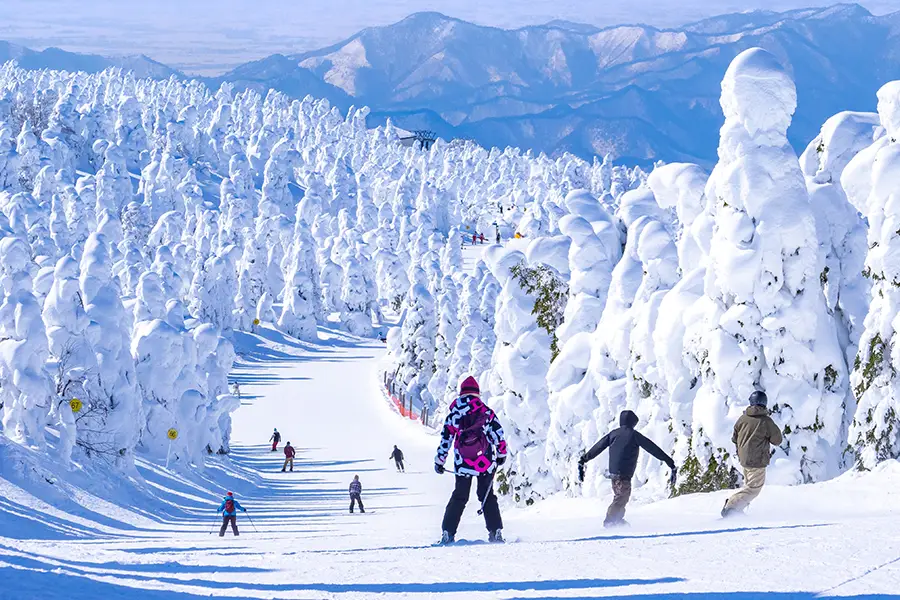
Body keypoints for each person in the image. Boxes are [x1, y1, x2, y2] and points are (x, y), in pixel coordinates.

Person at [434, 376, 507, 544]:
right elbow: (498, 435)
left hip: (463, 463)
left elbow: (446, 439)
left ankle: (448, 532)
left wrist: (440, 461)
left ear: (462, 393)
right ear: (477, 393)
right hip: (485, 462)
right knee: (487, 496)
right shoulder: (486, 412)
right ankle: (495, 531)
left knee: (459, 496)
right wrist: (501, 454)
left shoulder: (454, 413)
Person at [578, 410, 676, 528]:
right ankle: (610, 521)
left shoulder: (613, 434)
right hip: (623, 473)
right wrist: (669, 461)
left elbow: (598, 447)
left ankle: (617, 521)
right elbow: (653, 448)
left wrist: (583, 459)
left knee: (621, 497)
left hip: (614, 474)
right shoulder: (634, 435)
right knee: (621, 498)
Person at [722, 391, 783, 518]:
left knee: (748, 486)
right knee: (753, 489)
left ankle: (737, 510)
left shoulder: (742, 419)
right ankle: (731, 506)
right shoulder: (766, 421)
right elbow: (777, 440)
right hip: (757, 460)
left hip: (744, 459)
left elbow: (734, 438)